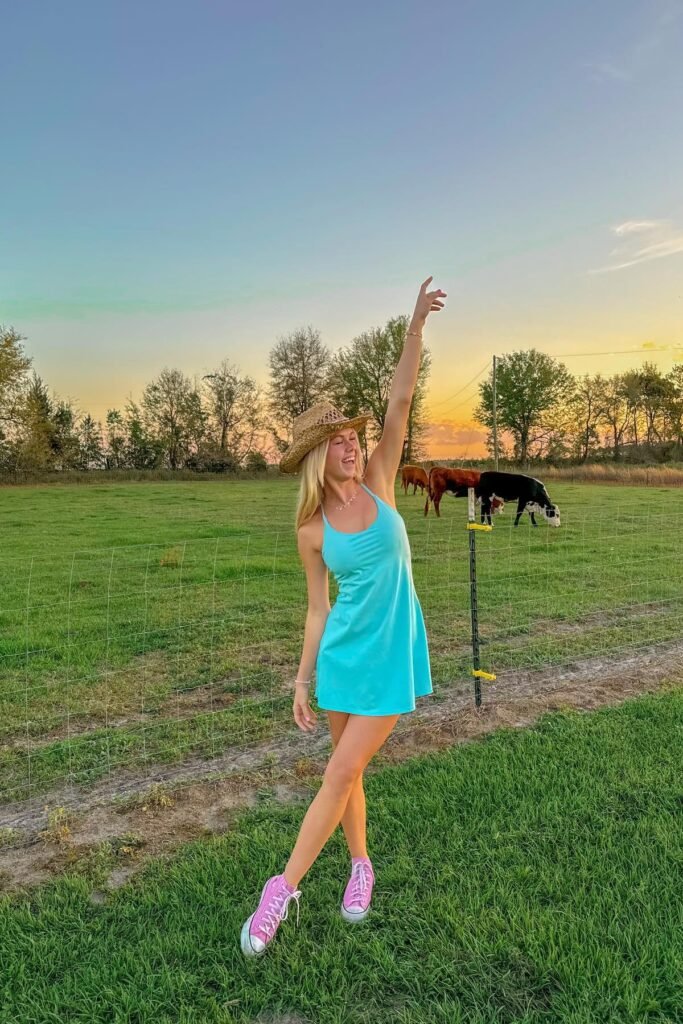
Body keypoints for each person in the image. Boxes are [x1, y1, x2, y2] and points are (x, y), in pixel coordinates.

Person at [240, 276, 447, 956]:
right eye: (338, 440)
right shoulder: (311, 529)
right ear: (315, 457)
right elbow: (316, 609)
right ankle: (360, 866)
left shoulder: (384, 479)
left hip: (389, 654)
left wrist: (413, 326)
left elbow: (401, 399)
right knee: (345, 772)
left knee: (337, 774)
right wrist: (301, 680)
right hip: (340, 658)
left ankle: (281, 890)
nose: (353, 444)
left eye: (353, 436)